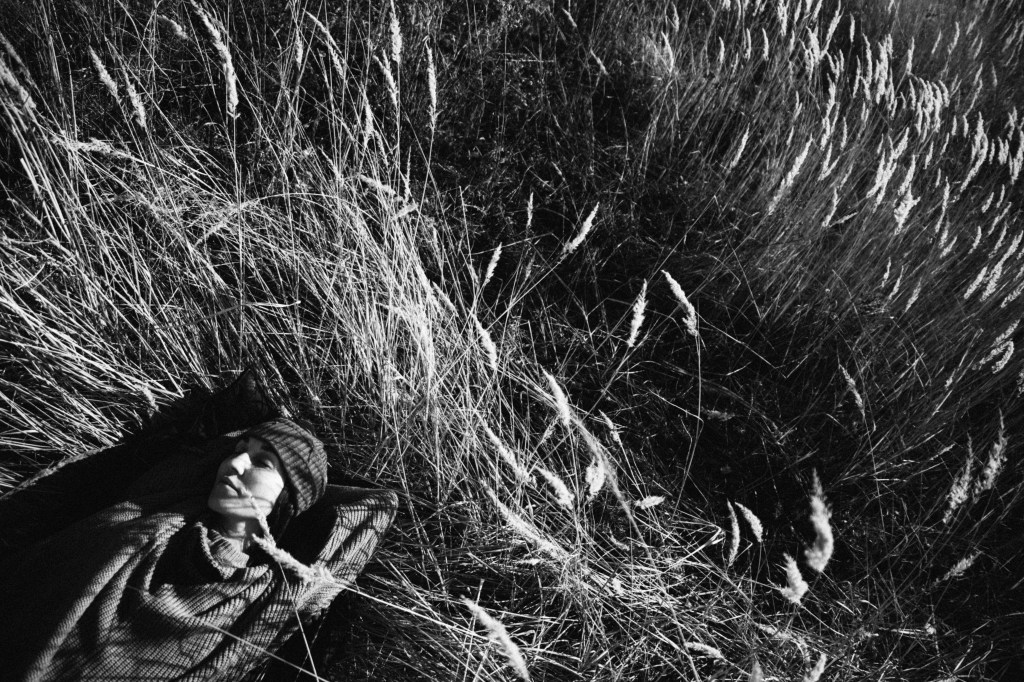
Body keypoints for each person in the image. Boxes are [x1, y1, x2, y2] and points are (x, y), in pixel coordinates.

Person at [0, 417, 398, 681]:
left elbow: (376, 508)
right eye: (235, 450)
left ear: (287, 501)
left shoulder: (265, 593)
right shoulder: (156, 509)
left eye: (262, 462)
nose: (234, 464)